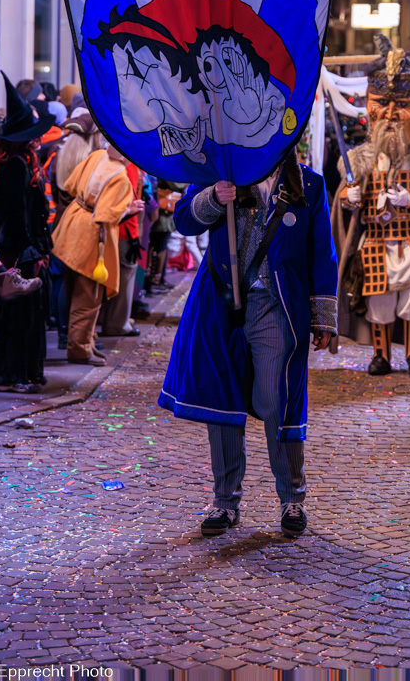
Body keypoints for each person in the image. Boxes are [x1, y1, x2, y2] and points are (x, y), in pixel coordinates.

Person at [158, 148, 338, 539]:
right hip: (220, 303)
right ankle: (225, 502)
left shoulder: (309, 183)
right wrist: (212, 198)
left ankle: (292, 496)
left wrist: (324, 315)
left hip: (277, 305)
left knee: (276, 397)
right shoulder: (220, 171)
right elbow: (184, 220)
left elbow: (322, 251)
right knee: (221, 401)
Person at [333, 36, 410, 378]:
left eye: (402, 105)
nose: (389, 115)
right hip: (374, 242)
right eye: (382, 105)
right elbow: (343, 198)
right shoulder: (358, 160)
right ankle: (381, 357)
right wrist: (349, 198)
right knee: (379, 305)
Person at [0, 73, 54, 392]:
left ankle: (9, 372)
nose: (37, 140)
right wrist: (32, 248)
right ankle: (13, 373)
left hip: (11, 250)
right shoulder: (17, 166)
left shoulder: (6, 163)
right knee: (19, 313)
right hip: (17, 252)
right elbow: (17, 213)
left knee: (11, 312)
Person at [52, 144, 133, 365]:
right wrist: (128, 210)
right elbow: (106, 215)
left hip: (72, 225)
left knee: (74, 289)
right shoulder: (121, 178)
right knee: (89, 296)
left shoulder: (96, 156)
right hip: (92, 236)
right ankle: (79, 349)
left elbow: (69, 185)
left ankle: (84, 343)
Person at [98, 158, 144, 338]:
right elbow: (127, 202)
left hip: (122, 230)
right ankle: (117, 323)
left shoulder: (126, 164)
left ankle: (115, 319)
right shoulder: (128, 166)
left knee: (119, 278)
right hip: (123, 230)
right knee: (123, 279)